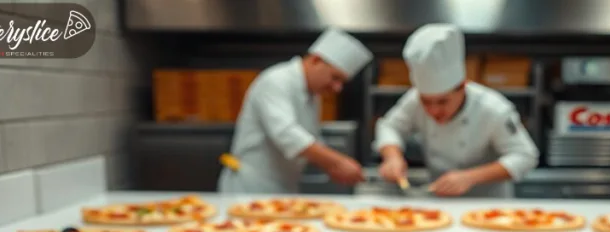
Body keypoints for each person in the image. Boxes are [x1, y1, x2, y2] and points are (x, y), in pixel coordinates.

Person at [374, 24, 539, 197]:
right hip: (439, 201)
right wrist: (392, 157)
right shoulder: (414, 99)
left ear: (462, 86)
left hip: (489, 206)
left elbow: (525, 156)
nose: (433, 110)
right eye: (426, 102)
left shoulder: (493, 109)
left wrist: (471, 177)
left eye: (442, 102)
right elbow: (390, 126)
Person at [218, 28, 373, 194]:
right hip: (250, 187)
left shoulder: (312, 94)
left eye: (342, 82)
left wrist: (331, 167)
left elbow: (310, 138)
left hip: (285, 187)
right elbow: (287, 135)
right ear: (316, 60)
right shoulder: (276, 80)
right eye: (335, 78)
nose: (337, 88)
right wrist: (336, 162)